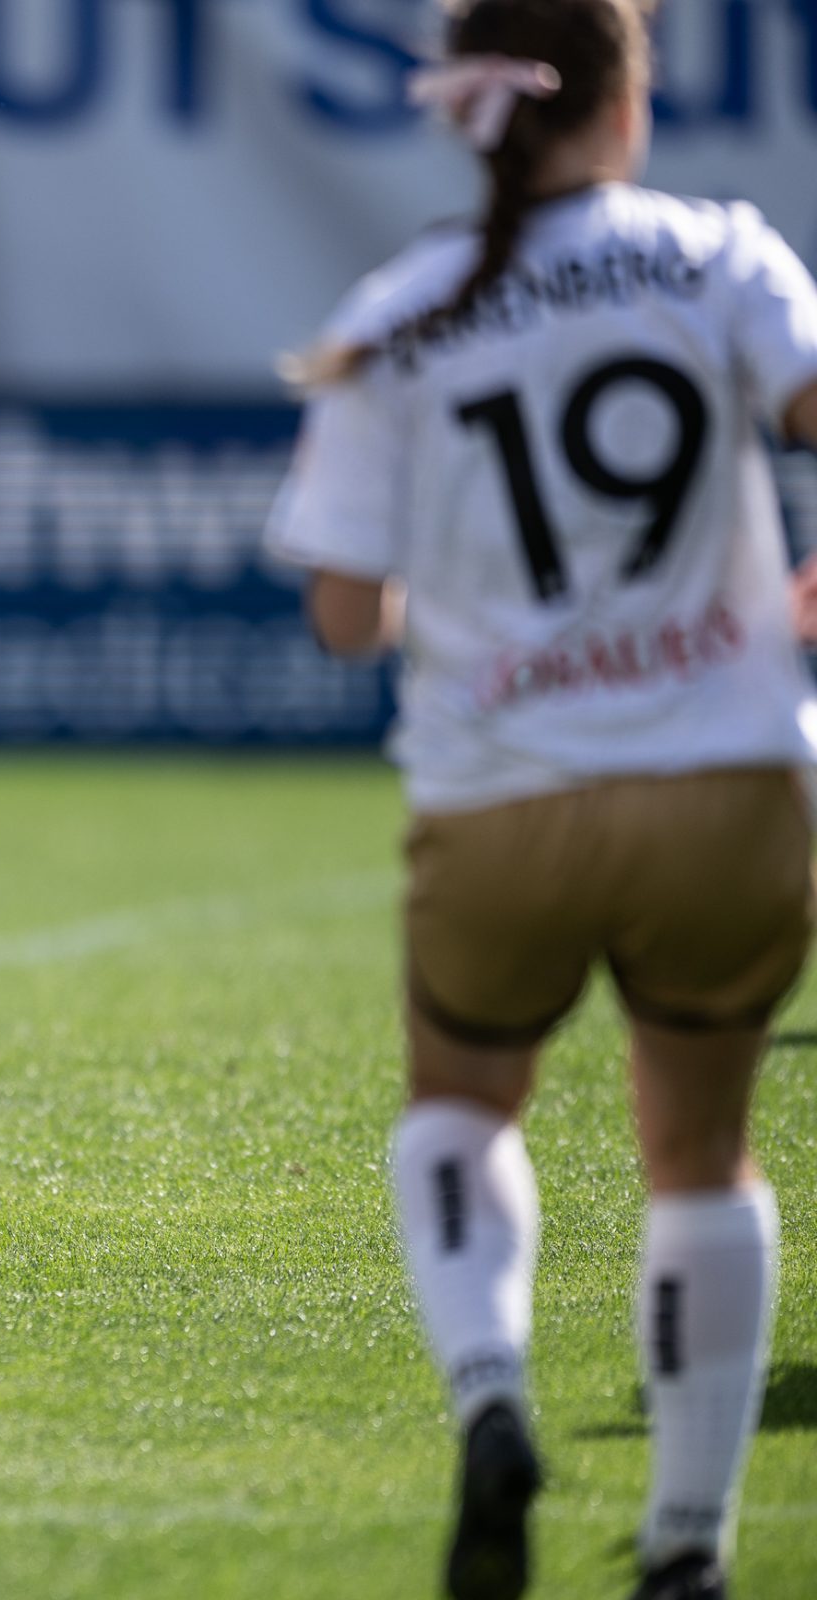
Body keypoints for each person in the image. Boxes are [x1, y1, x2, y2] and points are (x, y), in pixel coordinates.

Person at [265, 5, 817, 1596]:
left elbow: (345, 616)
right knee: (703, 1157)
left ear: (474, 114)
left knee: (461, 1108)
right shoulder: (719, 254)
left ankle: (492, 1396)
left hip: (504, 787)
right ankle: (686, 1548)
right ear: (625, 97)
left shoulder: (404, 308)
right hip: (727, 777)